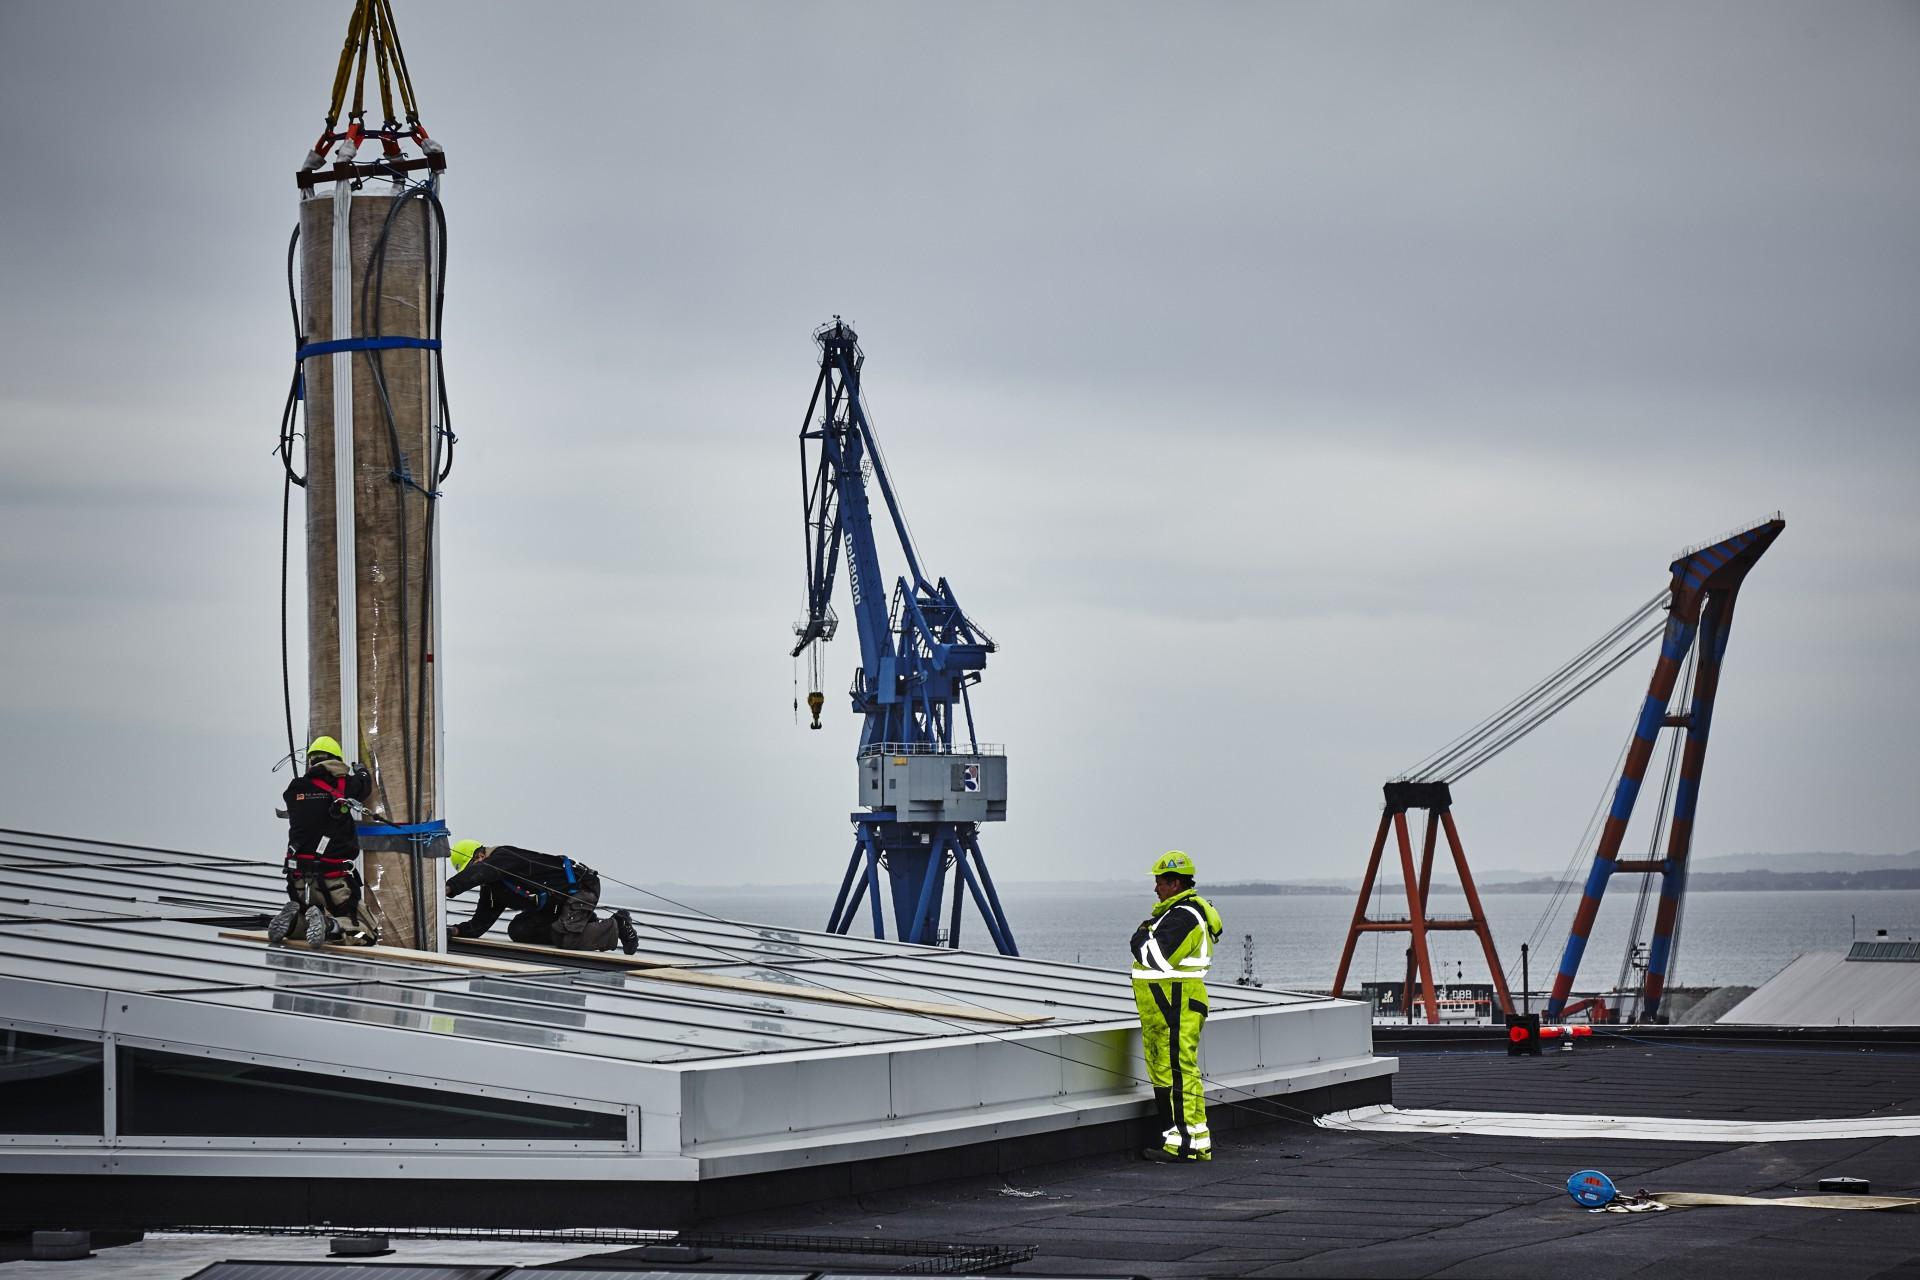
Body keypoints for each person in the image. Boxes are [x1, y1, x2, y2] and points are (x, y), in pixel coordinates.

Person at [1129, 849, 1224, 1163]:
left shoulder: (1183, 915)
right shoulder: (1181, 913)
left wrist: (1140, 936)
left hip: (1174, 1003)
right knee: (1179, 1072)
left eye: (1158, 882)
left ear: (1174, 883)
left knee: (1178, 1074)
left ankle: (1182, 1146)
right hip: (1173, 1002)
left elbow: (1154, 957)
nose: (1155, 888)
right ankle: (1194, 1143)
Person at [270, 735, 382, 948]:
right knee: (366, 933)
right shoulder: (343, 785)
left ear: (311, 761)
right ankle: (331, 925)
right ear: (336, 760)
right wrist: (361, 771)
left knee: (308, 921)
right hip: (333, 879)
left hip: (298, 878)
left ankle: (294, 923)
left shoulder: (295, 789)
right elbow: (364, 786)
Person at [445, 840, 639, 955]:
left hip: (580, 889)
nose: (475, 875)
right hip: (556, 906)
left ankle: (616, 924)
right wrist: (453, 931)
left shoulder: (503, 857)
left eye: (472, 867)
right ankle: (583, 922)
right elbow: (479, 924)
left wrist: (448, 888)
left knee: (568, 939)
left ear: (480, 856)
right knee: (519, 930)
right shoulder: (493, 890)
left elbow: (484, 872)